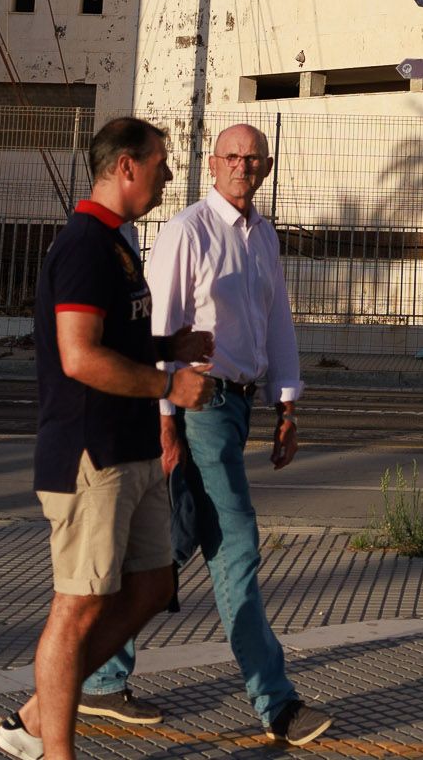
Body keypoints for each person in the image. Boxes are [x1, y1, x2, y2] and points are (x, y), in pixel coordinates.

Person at [78, 122, 332, 747]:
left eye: (255, 160)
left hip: (239, 405)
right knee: (237, 542)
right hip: (196, 405)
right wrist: (164, 420)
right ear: (213, 164)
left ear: (266, 169)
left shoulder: (263, 236)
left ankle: (101, 678)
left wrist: (287, 406)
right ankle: (276, 703)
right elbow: (158, 328)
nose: (244, 168)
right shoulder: (188, 231)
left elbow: (277, 323)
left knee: (176, 540)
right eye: (233, 158)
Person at [0, 116, 212, 760]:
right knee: (78, 606)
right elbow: (79, 357)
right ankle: (54, 749)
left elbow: (115, 339)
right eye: (159, 163)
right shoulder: (86, 246)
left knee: (151, 586)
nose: (168, 175)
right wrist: (168, 386)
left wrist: (168, 347)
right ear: (125, 166)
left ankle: (38, 712)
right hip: (93, 455)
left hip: (134, 450)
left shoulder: (117, 242)